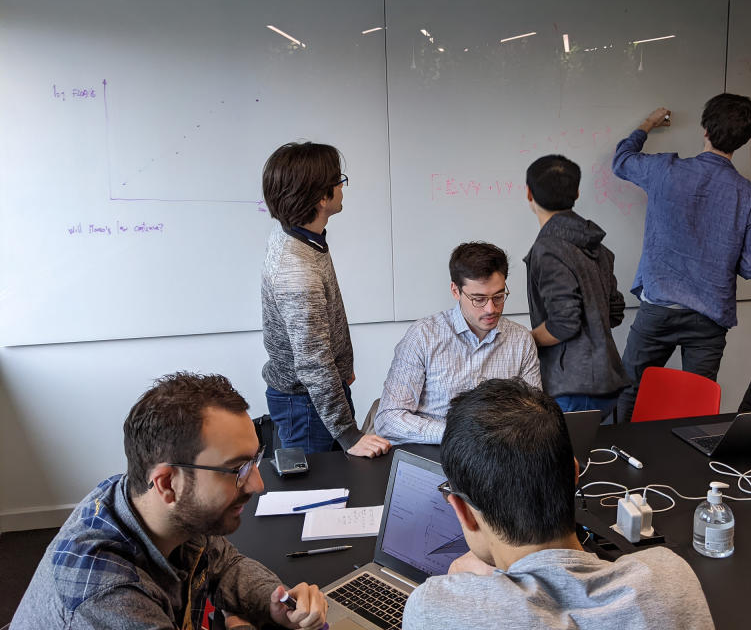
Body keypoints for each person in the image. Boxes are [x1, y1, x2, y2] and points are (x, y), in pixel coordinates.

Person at [11, 372, 328, 630]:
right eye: (236, 469)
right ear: (167, 483)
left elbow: (222, 563)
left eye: (255, 461)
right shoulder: (109, 602)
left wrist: (272, 603)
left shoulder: (154, 503)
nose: (257, 484)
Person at [402, 378, 715, 629]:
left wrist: (462, 583)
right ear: (575, 473)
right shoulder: (672, 582)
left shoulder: (435, 609)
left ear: (464, 512)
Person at [612, 95, 751, 421]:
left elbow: (622, 160)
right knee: (695, 405)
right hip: (709, 319)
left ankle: (617, 456)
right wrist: (721, 254)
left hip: (658, 311)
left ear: (704, 129)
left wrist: (648, 124)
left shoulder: (663, 170)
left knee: (629, 390)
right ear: (746, 138)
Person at [261, 141, 390, 457]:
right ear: (322, 197)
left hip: (316, 396)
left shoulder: (300, 235)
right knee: (316, 495)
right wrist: (350, 436)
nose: (342, 188)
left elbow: (315, 334)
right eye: (339, 181)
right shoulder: (297, 271)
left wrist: (342, 365)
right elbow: (313, 363)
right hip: (306, 405)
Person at [374, 242, 541, 444]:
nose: (491, 309)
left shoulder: (521, 340)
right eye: (478, 299)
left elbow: (534, 414)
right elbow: (388, 419)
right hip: (435, 448)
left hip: (497, 453)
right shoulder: (423, 336)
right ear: (455, 290)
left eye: (498, 296)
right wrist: (463, 434)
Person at [523, 154, 631, 417]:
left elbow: (564, 323)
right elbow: (614, 312)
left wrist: (526, 339)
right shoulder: (597, 246)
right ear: (577, 192)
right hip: (605, 381)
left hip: (572, 387)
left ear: (529, 194)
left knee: (564, 458)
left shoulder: (547, 248)